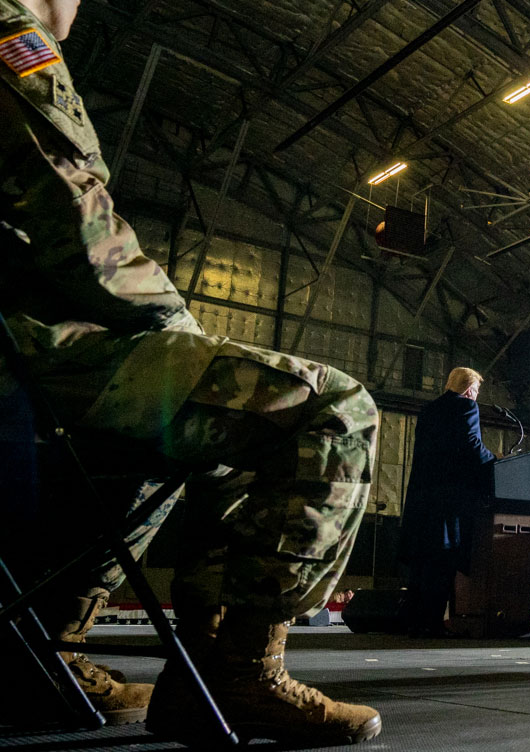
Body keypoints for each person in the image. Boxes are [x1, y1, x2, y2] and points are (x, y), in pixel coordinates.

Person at [0, 0, 381, 743]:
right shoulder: (10, 32)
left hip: (22, 357)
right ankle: (236, 675)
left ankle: (44, 658)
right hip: (30, 354)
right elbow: (71, 214)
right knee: (333, 411)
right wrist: (178, 323)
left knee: (199, 434)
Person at [399, 367, 496, 637]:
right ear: (468, 390)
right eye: (475, 392)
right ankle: (431, 622)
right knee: (442, 561)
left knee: (421, 563)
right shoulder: (465, 407)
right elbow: (472, 446)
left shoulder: (428, 411)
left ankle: (414, 621)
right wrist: (495, 460)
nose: (475, 397)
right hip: (448, 501)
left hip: (422, 499)